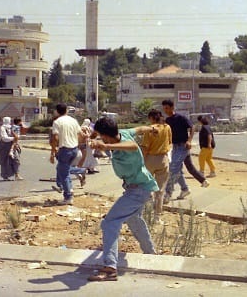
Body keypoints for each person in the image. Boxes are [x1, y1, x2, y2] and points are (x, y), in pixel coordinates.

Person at [87, 116, 158, 282]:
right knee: (134, 219)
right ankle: (151, 253)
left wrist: (106, 146)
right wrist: (152, 129)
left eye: (101, 136)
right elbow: (140, 129)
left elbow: (133, 146)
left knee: (109, 223)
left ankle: (110, 268)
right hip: (138, 187)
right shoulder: (124, 133)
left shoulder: (125, 144)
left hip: (139, 190)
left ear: (106, 136)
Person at [162, 99, 209, 203]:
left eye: (167, 108)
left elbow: (192, 127)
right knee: (181, 169)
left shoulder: (181, 118)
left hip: (183, 146)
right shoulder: (167, 120)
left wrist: (189, 140)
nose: (165, 110)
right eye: (164, 108)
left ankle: (168, 194)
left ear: (172, 107)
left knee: (173, 169)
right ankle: (185, 189)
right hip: (175, 147)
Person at [49, 104, 85, 205]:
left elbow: (55, 138)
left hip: (64, 149)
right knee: (63, 170)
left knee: (63, 174)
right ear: (67, 110)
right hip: (74, 149)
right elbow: (81, 135)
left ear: (57, 111)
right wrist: (77, 144)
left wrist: (53, 151)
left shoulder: (57, 122)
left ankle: (68, 197)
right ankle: (71, 187)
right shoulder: (73, 120)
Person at [140, 109, 172, 221]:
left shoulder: (149, 130)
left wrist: (141, 161)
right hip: (163, 159)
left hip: (150, 159)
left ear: (152, 118)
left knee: (147, 186)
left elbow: (145, 147)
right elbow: (170, 142)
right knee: (160, 189)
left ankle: (147, 211)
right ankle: (157, 216)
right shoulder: (167, 127)